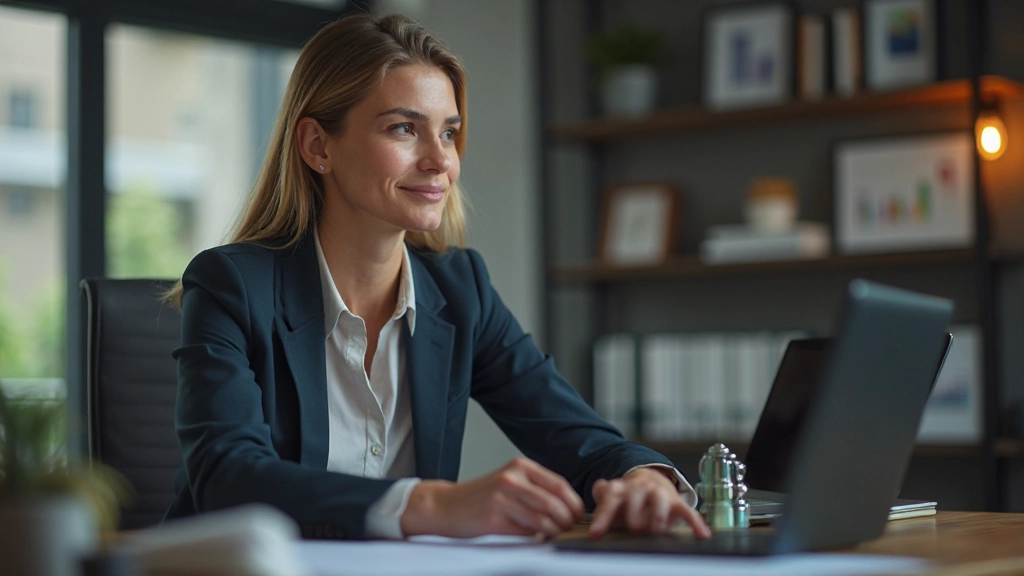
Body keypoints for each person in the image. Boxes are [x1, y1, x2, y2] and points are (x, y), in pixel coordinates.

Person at [164, 12, 709, 541]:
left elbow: (581, 440)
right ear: (317, 146)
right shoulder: (232, 285)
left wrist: (644, 479)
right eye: (404, 128)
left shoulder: (459, 289)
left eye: (448, 133)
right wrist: (430, 503)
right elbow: (228, 477)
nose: (439, 161)